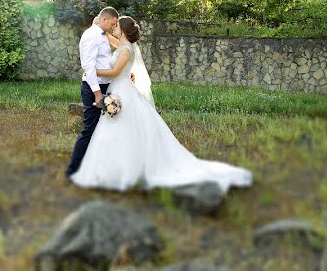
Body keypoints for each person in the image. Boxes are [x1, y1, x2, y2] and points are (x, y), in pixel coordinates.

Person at [69, 15, 253, 194]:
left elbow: (115, 71)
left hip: (122, 90)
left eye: (116, 26)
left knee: (123, 130)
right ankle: (114, 169)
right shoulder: (124, 46)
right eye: (113, 24)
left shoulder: (126, 50)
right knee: (116, 130)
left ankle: (128, 171)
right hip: (118, 90)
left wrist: (91, 70)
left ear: (123, 31)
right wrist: (102, 27)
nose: (113, 27)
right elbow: (114, 43)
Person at [65, 7, 120, 177]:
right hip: (93, 88)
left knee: (102, 129)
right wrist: (97, 94)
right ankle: (73, 170)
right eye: (112, 24)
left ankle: (94, 167)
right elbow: (88, 67)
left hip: (105, 86)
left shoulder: (102, 34)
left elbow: (102, 61)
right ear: (104, 20)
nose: (112, 27)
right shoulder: (91, 35)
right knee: (89, 130)